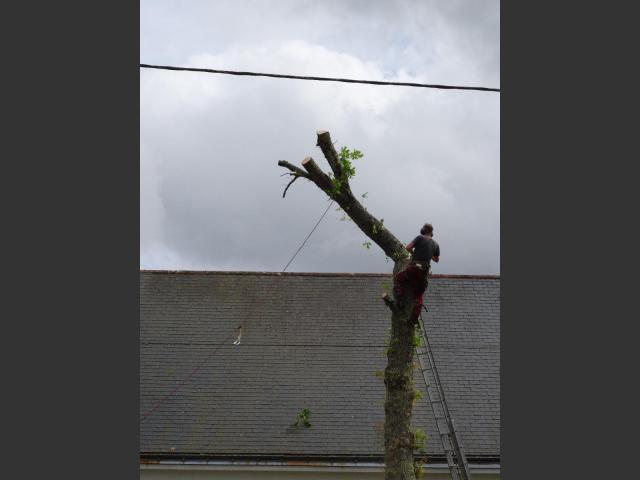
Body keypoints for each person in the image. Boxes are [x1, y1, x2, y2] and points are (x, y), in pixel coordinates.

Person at [394, 223, 440, 318]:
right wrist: (428, 253)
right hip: (423, 273)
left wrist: (415, 253)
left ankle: (400, 299)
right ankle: (415, 317)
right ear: (432, 233)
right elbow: (436, 260)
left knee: (399, 278)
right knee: (418, 295)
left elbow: (408, 248)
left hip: (413, 269)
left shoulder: (419, 238)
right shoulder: (436, 244)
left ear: (423, 230)